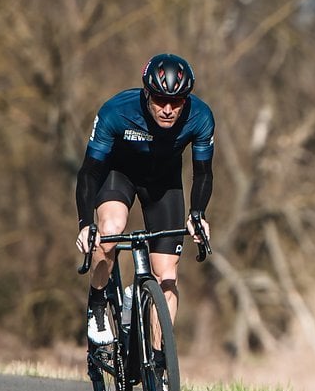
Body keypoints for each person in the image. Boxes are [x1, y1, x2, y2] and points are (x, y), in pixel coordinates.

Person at [74, 53, 214, 345]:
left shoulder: (201, 117)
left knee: (167, 275)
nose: (167, 109)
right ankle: (98, 304)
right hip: (119, 174)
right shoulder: (116, 111)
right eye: (160, 99)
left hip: (164, 185)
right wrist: (86, 223)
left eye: (176, 102)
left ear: (186, 100)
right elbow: (89, 172)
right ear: (146, 94)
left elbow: (202, 173)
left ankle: (159, 365)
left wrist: (198, 213)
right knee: (110, 232)